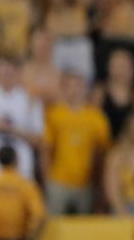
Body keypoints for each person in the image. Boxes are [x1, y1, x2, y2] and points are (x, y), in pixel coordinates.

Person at [42, 73, 112, 214]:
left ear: (85, 89)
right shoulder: (54, 114)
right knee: (55, 226)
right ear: (63, 89)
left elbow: (103, 153)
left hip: (86, 183)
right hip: (58, 181)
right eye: (70, 86)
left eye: (78, 85)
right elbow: (46, 149)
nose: (74, 90)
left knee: (83, 228)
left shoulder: (96, 117)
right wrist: (47, 180)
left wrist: (98, 184)